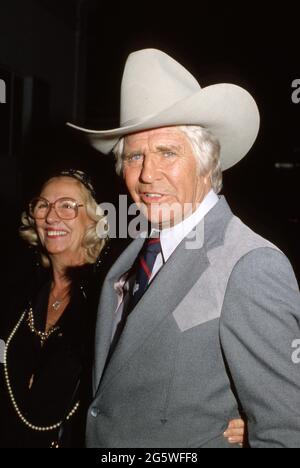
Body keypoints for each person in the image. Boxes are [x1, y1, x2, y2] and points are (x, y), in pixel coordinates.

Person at [68, 49, 300, 448]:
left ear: (207, 164)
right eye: (135, 156)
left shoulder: (251, 264)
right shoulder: (127, 259)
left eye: (167, 153)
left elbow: (286, 430)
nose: (146, 174)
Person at [0, 169, 110, 448]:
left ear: (94, 219)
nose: (50, 217)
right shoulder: (17, 293)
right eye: (42, 205)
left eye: (67, 206)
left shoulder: (110, 297)